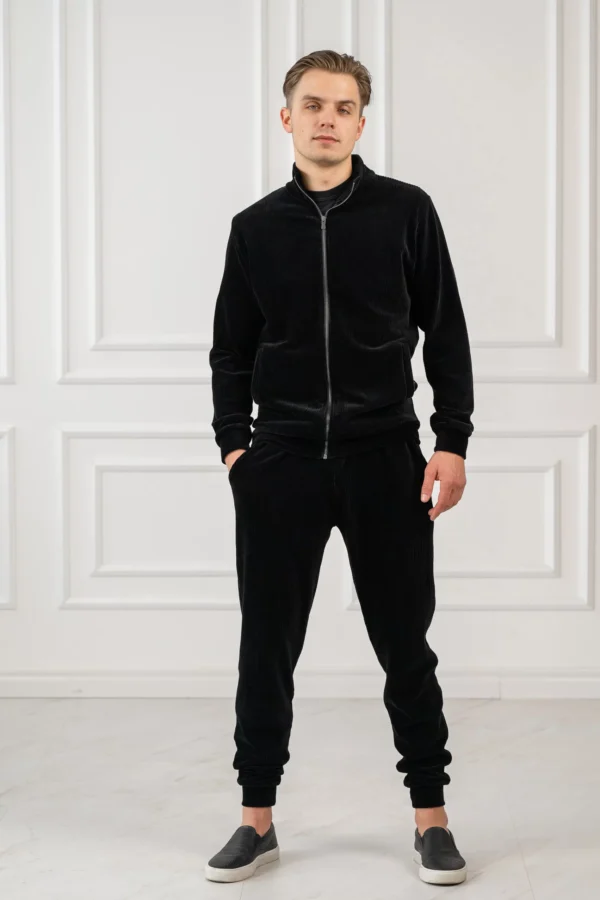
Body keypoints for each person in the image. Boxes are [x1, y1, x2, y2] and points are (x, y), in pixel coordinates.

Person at [205, 49, 473, 887]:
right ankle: (256, 820)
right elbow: (230, 350)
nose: (328, 118)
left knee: (405, 645)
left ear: (361, 122)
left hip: (384, 457)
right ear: (287, 117)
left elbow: (447, 332)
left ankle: (431, 819)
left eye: (344, 106)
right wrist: (236, 448)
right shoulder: (255, 228)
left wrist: (452, 439)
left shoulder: (406, 212)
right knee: (265, 648)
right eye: (314, 104)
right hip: (281, 462)